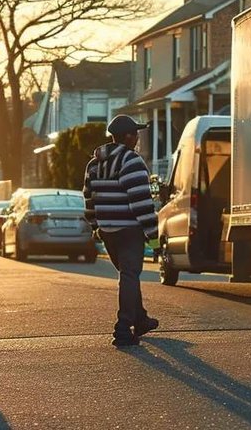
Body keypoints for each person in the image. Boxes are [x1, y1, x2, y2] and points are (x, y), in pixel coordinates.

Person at [84, 115, 161, 347]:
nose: (137, 138)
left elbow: (89, 198)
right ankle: (123, 328)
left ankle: (141, 319)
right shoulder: (132, 162)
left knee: (128, 275)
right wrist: (154, 237)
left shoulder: (94, 164)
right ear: (127, 137)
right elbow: (142, 203)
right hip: (129, 230)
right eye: (135, 134)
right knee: (129, 275)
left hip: (107, 230)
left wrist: (95, 226)